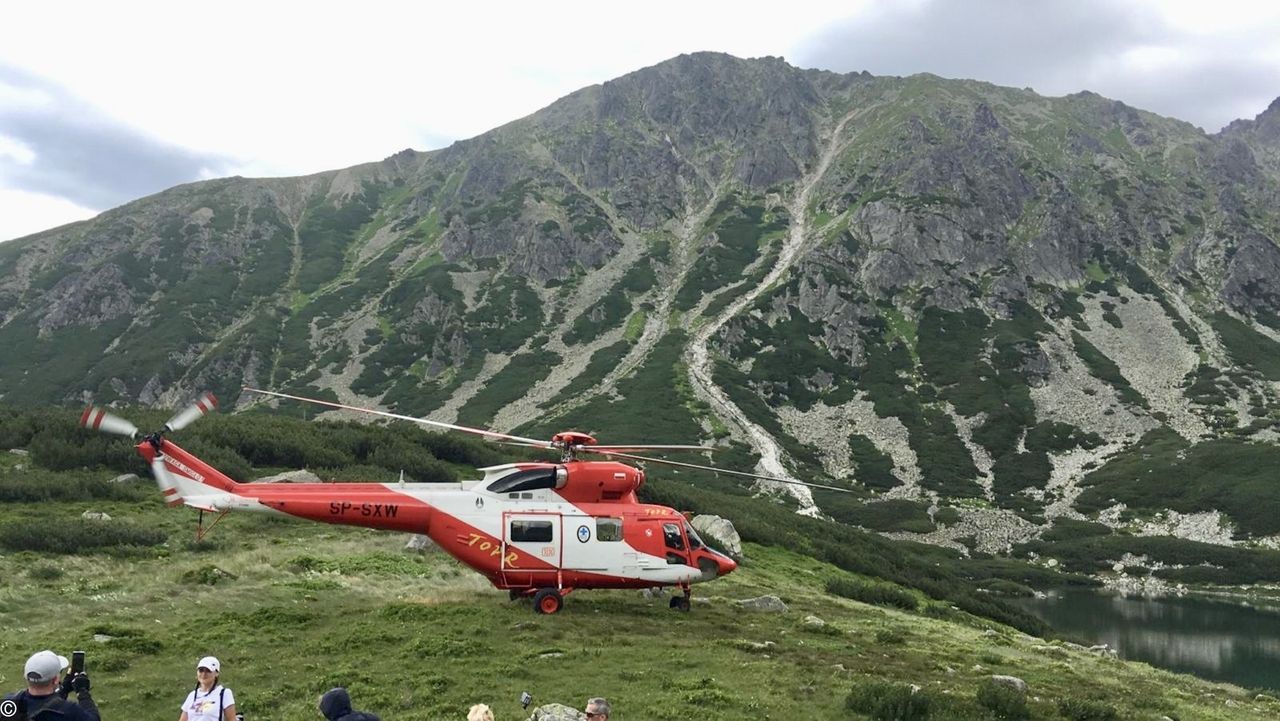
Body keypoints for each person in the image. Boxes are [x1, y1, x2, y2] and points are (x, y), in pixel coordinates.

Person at [3, 650, 99, 721]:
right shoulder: (69, 711)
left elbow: (40, 704)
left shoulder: (9, 703)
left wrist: (63, 689)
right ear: (56, 680)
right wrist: (82, 692)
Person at [179, 656, 237, 721]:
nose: (204, 674)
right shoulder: (192, 695)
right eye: (201, 670)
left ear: (216, 673)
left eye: (208, 671)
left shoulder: (224, 693)